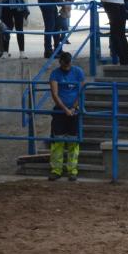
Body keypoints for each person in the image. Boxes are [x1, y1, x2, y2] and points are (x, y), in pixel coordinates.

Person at [45, 51, 84, 181]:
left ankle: (72, 170)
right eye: (64, 64)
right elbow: (55, 94)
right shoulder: (55, 74)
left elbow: (81, 92)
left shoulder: (78, 72)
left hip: (75, 111)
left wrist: (73, 108)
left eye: (68, 64)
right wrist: (65, 109)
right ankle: (56, 169)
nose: (67, 67)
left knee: (74, 142)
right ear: (60, 62)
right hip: (59, 112)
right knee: (58, 142)